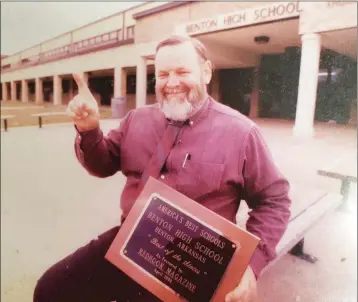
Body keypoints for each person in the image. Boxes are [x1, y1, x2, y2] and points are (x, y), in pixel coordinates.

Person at [33, 34, 291, 302]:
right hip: (131, 241)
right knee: (50, 290)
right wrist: (89, 131)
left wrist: (250, 265)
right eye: (163, 74)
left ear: (206, 72)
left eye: (182, 71)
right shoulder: (137, 119)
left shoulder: (241, 133)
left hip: (195, 264)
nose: (172, 83)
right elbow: (103, 164)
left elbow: (275, 201)